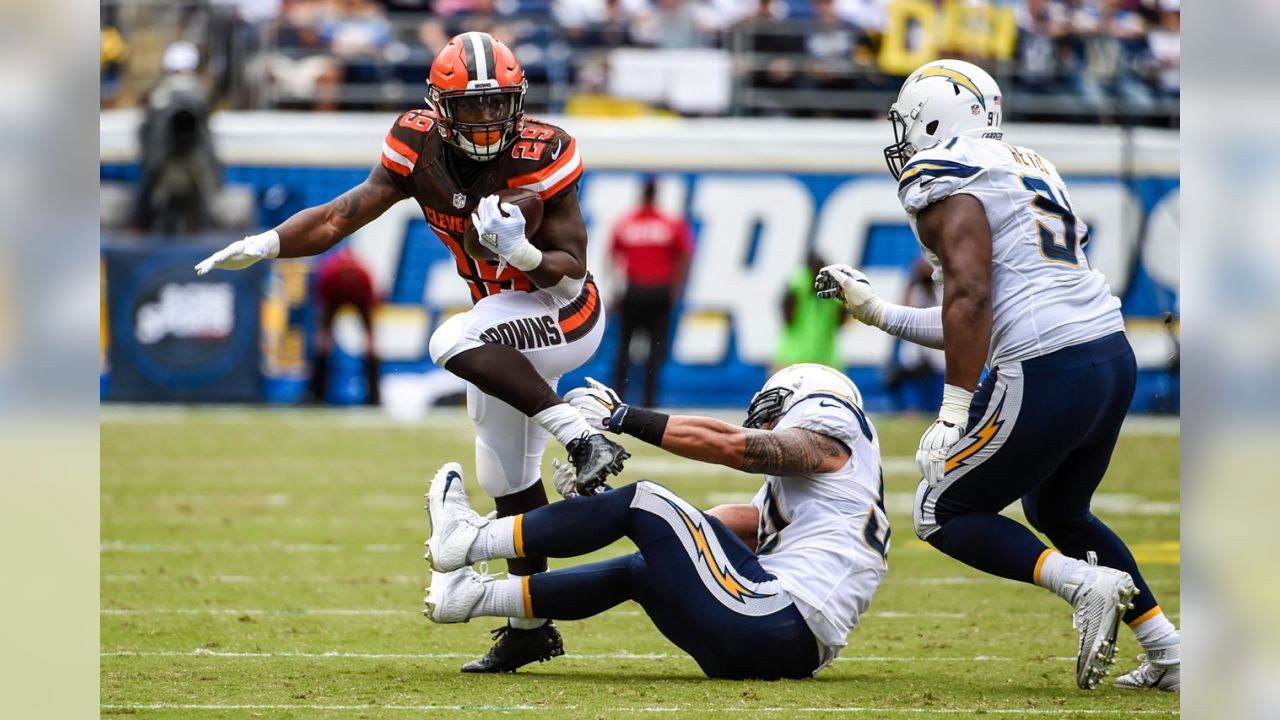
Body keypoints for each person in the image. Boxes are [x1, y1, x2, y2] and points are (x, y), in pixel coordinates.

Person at [195, 31, 631, 673]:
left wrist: (522, 253)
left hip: (565, 313)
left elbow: (568, 276)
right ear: (438, 105)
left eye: (496, 104)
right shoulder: (416, 144)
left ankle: (582, 434)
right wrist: (268, 243)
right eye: (471, 106)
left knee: (451, 337)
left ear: (517, 102)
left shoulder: (547, 151)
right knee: (506, 480)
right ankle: (530, 625)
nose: (485, 120)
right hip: (501, 327)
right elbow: (342, 215)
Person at [815, 59, 1179, 691]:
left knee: (939, 507)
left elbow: (973, 300)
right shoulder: (1028, 165)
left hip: (1047, 365)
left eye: (909, 123)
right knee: (1060, 510)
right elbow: (982, 313)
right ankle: (1171, 652)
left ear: (935, 117)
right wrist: (877, 311)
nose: (904, 141)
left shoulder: (942, 175)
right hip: (1107, 353)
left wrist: (953, 409)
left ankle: (1083, 584)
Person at [422, 364, 889, 678]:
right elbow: (711, 533)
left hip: (778, 618)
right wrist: (597, 507)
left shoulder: (834, 421)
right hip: (782, 644)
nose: (762, 421)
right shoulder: (831, 498)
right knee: (644, 568)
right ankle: (472, 598)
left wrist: (622, 417)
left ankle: (470, 541)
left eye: (772, 408)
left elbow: (737, 447)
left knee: (645, 499)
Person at [608, 176, 693, 406]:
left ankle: (618, 399)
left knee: (624, 348)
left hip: (634, 290)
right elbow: (684, 256)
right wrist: (677, 287)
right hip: (660, 291)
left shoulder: (626, 223)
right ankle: (649, 401)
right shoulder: (671, 223)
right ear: (656, 195)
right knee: (655, 350)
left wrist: (615, 290)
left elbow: (613, 257)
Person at [310, 246, 381, 405]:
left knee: (372, 350)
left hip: (360, 299)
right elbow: (324, 309)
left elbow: (369, 311)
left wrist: (371, 343)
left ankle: (374, 398)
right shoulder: (330, 277)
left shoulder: (364, 278)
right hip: (333, 299)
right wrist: (323, 339)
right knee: (322, 346)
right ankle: (316, 396)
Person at [775, 251, 845, 372]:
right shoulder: (798, 285)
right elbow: (786, 316)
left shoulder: (832, 291)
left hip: (824, 360)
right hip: (792, 360)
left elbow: (842, 319)